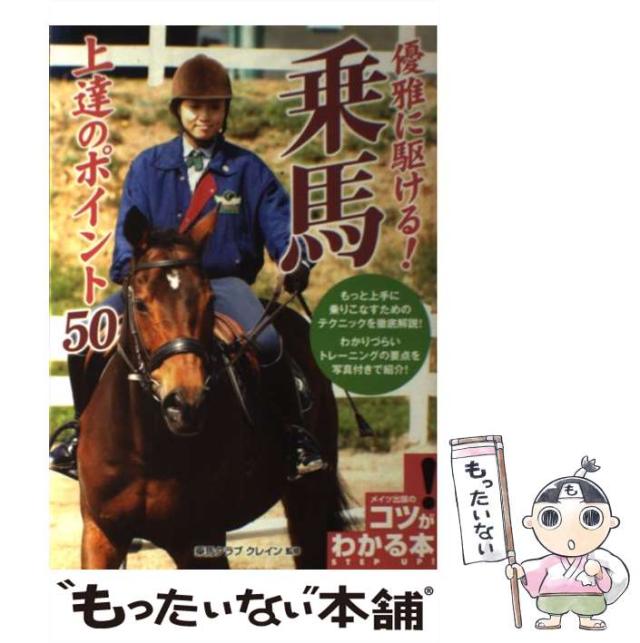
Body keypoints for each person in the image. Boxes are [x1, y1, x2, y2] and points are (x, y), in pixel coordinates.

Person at [50, 54, 325, 479]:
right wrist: (127, 269)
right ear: (178, 109)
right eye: (195, 106)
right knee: (88, 333)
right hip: (156, 284)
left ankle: (292, 437)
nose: (204, 116)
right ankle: (79, 431)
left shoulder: (248, 170)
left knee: (269, 342)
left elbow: (280, 226)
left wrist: (294, 259)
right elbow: (127, 230)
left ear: (225, 111)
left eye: (214, 106)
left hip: (222, 282)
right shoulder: (148, 166)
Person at [505, 457, 628, 631]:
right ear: (531, 522)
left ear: (610, 522)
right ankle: (554, 618)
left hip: (588, 598)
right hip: (553, 597)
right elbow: (535, 569)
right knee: (551, 604)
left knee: (590, 605)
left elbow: (605, 585)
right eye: (550, 518)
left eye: (591, 518)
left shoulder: (595, 559)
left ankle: (586, 619)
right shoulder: (551, 561)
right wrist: (519, 571)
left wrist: (599, 573)